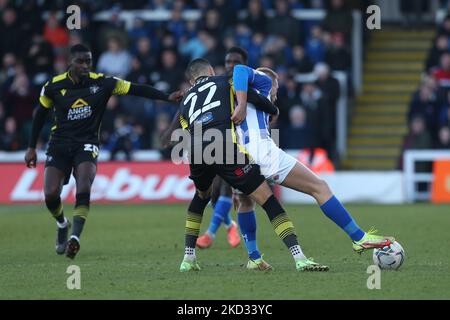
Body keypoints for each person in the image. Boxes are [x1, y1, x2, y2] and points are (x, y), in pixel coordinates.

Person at [24, 44, 183, 259]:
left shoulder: (103, 83)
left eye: (88, 61)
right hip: (59, 144)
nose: (85, 66)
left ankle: (75, 238)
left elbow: (136, 88)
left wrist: (166, 96)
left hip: (86, 143)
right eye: (81, 61)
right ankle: (62, 224)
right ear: (70, 62)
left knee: (84, 183)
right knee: (51, 193)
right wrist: (32, 147)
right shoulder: (53, 86)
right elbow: (39, 115)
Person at [232, 65, 395, 270]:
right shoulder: (262, 82)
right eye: (276, 89)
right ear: (269, 83)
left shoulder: (238, 95)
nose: (276, 94)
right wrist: (247, 102)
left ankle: (254, 258)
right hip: (263, 152)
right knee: (320, 187)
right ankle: (359, 237)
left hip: (237, 157)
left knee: (245, 202)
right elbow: (239, 69)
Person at [177, 58, 327, 272]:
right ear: (211, 70)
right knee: (267, 199)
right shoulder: (223, 82)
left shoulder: (184, 101)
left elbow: (186, 130)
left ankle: (188, 259)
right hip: (225, 146)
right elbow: (254, 98)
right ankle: (299, 257)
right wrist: (272, 109)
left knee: (201, 197)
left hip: (196, 149)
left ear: (191, 80)